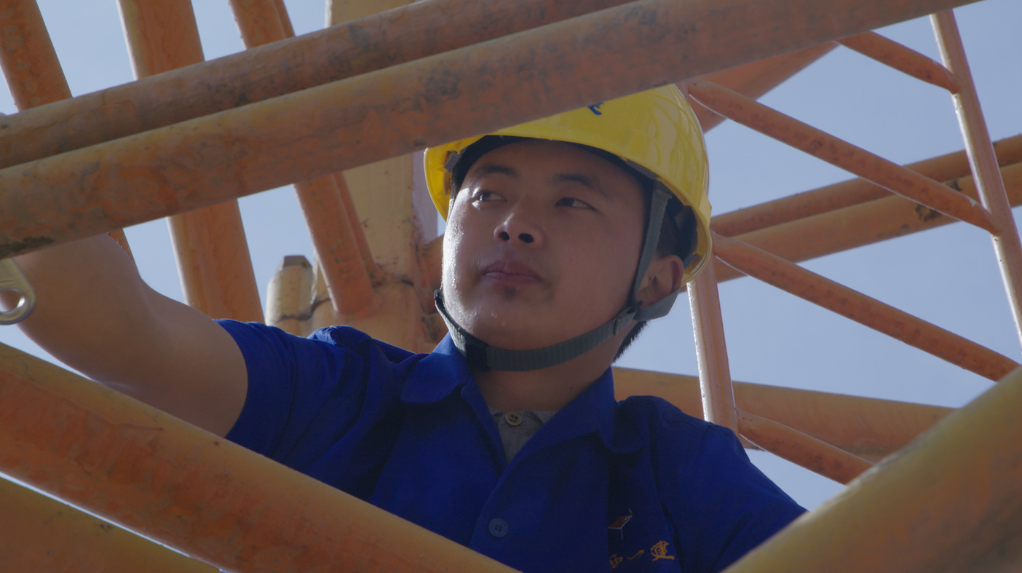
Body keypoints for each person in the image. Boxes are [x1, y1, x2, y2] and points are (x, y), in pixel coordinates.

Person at [6, 85, 803, 572]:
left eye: (572, 201)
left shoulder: (679, 471)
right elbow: (136, 339)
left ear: (658, 277)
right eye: (487, 194)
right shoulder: (342, 391)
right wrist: (20, 205)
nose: (515, 225)